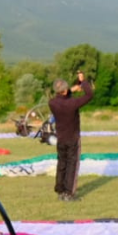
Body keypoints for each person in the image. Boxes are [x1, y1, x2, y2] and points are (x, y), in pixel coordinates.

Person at [48, 71, 95, 201]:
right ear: (64, 91)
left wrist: (72, 89)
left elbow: (62, 97)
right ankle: (69, 193)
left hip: (61, 138)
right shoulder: (72, 104)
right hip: (73, 138)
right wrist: (83, 81)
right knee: (72, 166)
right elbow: (90, 95)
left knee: (62, 164)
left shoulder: (52, 103)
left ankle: (60, 191)